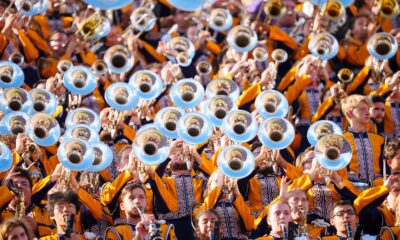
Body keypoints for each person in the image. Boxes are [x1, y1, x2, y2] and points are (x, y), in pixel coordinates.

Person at [105, 183, 175, 240]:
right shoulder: (115, 232)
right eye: (131, 198)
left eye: (141, 197)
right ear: (122, 206)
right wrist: (138, 237)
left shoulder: (165, 228)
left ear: (147, 204)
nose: (137, 201)